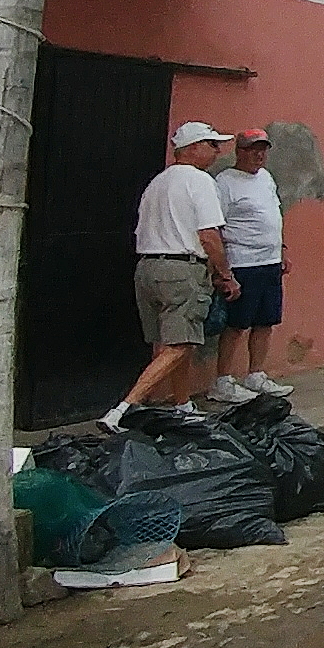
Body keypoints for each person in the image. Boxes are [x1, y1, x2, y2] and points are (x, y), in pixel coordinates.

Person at [107, 122, 241, 430]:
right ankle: (124, 408)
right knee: (180, 343)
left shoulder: (157, 183)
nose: (217, 151)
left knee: (172, 341)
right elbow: (209, 235)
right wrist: (226, 273)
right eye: (211, 144)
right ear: (193, 148)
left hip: (148, 267)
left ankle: (182, 403)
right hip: (182, 269)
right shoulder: (200, 181)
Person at [210, 129, 292, 403]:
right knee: (236, 324)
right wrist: (222, 270)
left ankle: (255, 374)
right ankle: (223, 381)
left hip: (269, 262)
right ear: (239, 152)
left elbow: (275, 215)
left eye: (263, 149)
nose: (259, 155)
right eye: (252, 149)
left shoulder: (266, 178)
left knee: (266, 321)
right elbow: (217, 226)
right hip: (242, 262)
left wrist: (281, 249)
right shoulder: (225, 182)